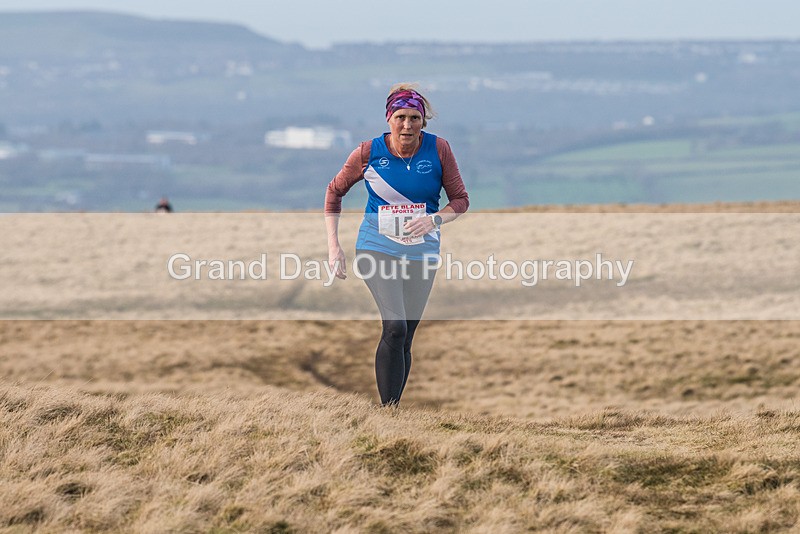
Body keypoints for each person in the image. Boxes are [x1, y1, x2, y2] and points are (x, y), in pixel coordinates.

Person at [325, 83, 470, 406]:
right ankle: (387, 412)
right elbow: (334, 192)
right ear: (389, 118)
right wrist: (334, 246)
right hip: (376, 247)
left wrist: (434, 219)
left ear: (423, 121)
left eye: (415, 118)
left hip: (422, 251)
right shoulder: (368, 152)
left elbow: (460, 200)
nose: (408, 125)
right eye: (401, 117)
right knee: (395, 328)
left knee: (406, 337)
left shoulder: (439, 150)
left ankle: (395, 411)